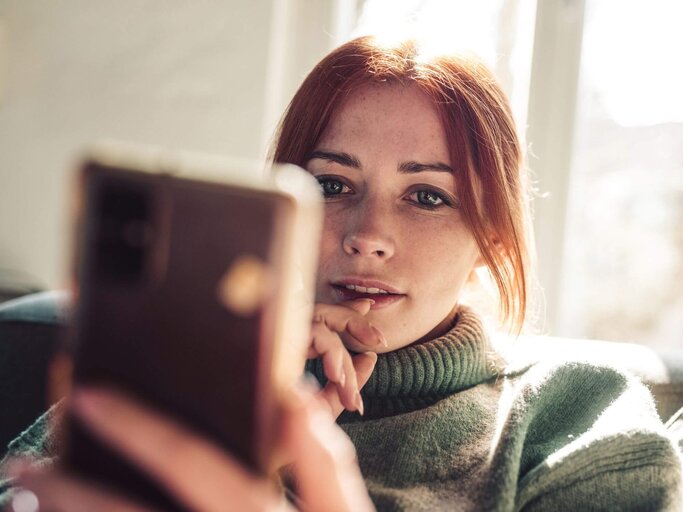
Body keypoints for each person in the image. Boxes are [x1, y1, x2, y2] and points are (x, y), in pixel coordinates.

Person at [1, 35, 682, 511]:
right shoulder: (177, 370)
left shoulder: (579, 418)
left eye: (426, 196)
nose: (368, 238)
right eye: (331, 186)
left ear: (490, 237)